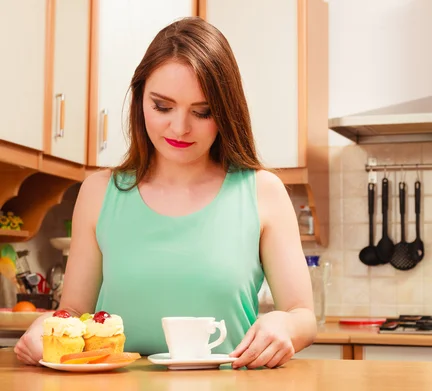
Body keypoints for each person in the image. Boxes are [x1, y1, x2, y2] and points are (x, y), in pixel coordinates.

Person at [14, 16, 316, 369]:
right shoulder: (99, 192)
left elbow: (303, 316)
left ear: (227, 112)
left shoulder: (262, 192)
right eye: (162, 106)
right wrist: (44, 328)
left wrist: (285, 325)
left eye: (202, 112)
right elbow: (75, 312)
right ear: (140, 99)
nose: (180, 127)